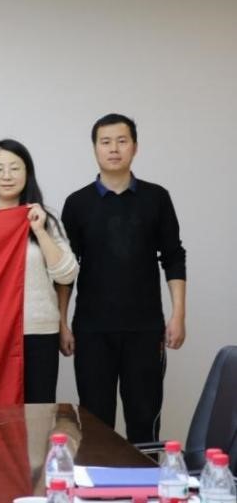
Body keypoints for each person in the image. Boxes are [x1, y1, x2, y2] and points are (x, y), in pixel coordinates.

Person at [60, 113, 186, 443]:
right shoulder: (77, 204)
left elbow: (173, 257)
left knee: (144, 422)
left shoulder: (157, 198)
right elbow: (66, 271)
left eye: (121, 141)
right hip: (92, 331)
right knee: (96, 425)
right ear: (95, 149)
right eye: (106, 142)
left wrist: (178, 315)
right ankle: (100, 480)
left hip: (145, 330)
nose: (114, 149)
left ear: (135, 147)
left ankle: (146, 478)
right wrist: (62, 322)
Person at [0, 139, 78, 404]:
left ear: (27, 173)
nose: (7, 176)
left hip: (38, 331)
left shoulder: (46, 217)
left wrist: (39, 230)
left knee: (38, 411)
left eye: (15, 168)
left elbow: (66, 274)